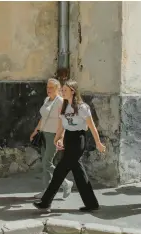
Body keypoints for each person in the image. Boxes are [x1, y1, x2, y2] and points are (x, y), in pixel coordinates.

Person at [33, 80, 106, 212]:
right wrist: (58, 138)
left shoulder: (83, 107)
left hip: (78, 140)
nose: (62, 92)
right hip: (68, 138)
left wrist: (98, 142)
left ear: (73, 91)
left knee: (59, 171)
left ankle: (45, 202)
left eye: (64, 90)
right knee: (78, 172)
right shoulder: (64, 106)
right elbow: (62, 125)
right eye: (62, 90)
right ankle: (92, 204)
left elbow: (92, 126)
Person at [30, 78, 73, 199]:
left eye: (51, 88)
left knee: (47, 162)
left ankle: (66, 183)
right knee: (45, 165)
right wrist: (36, 130)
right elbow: (43, 118)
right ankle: (46, 191)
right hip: (43, 134)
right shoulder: (47, 100)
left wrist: (60, 138)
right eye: (47, 87)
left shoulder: (61, 102)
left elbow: (64, 122)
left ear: (57, 89)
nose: (48, 90)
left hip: (54, 135)